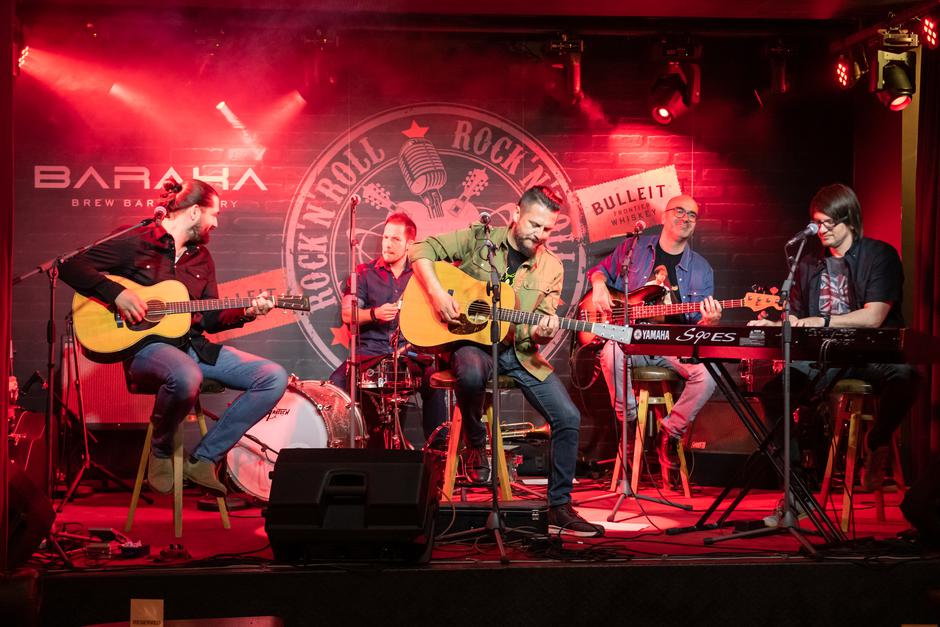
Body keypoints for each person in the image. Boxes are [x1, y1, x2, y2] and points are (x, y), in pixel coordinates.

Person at [59, 179, 289, 496]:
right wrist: (117, 294)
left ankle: (203, 459)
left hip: (193, 348)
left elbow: (210, 319)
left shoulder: (202, 258)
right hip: (146, 351)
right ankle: (162, 449)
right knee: (185, 374)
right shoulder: (136, 240)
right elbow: (70, 266)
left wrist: (248, 312)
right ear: (194, 212)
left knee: (272, 377)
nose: (216, 222)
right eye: (214, 214)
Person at [410, 185, 604, 537]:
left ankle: (559, 507)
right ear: (516, 214)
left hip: (519, 352)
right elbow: (420, 249)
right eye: (534, 225)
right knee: (470, 372)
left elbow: (541, 325)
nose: (540, 235)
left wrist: (543, 332)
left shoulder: (552, 268)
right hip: (473, 345)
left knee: (568, 417)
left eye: (548, 229)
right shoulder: (479, 238)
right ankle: (475, 441)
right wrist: (437, 294)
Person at [750, 183, 920, 506]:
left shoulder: (879, 256)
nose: (822, 230)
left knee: (906, 376)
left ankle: (877, 441)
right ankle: (796, 487)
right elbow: (797, 316)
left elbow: (874, 316)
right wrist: (776, 325)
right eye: (818, 223)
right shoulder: (807, 264)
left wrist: (822, 321)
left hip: (868, 354)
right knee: (774, 393)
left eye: (829, 222)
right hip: (824, 357)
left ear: (850, 219)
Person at [587, 194, 722, 484]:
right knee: (610, 353)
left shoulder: (702, 269)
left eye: (692, 215)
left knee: (708, 375)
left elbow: (698, 326)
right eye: (679, 211)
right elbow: (599, 271)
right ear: (664, 216)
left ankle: (670, 432)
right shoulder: (633, 248)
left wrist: (708, 321)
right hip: (631, 339)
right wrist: (599, 285)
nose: (686, 218)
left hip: (671, 345)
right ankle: (629, 423)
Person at [328, 213, 447, 448]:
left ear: (409, 244)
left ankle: (438, 450)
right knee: (337, 382)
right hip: (369, 354)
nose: (387, 244)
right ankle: (342, 447)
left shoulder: (421, 275)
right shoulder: (364, 273)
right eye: (385, 237)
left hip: (409, 353)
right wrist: (375, 314)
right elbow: (347, 314)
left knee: (435, 381)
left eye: (395, 239)